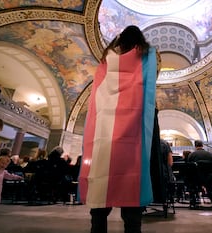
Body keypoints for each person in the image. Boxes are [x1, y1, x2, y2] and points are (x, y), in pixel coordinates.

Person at [78, 25, 160, 233]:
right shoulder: (147, 55)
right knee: (131, 195)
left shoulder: (107, 59)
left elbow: (98, 90)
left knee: (100, 196)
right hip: (133, 131)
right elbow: (150, 83)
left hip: (104, 130)